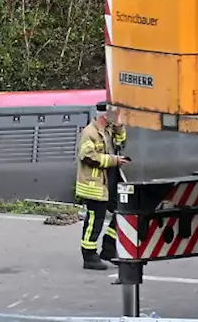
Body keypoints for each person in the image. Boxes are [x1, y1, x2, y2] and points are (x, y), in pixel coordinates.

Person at [76, 101, 129, 271]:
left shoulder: (109, 130)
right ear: (105, 115)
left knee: (123, 211)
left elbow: (121, 144)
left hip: (110, 181)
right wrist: (113, 161)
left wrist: (120, 128)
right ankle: (89, 256)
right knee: (94, 220)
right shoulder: (89, 132)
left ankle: (109, 248)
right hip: (94, 185)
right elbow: (87, 156)